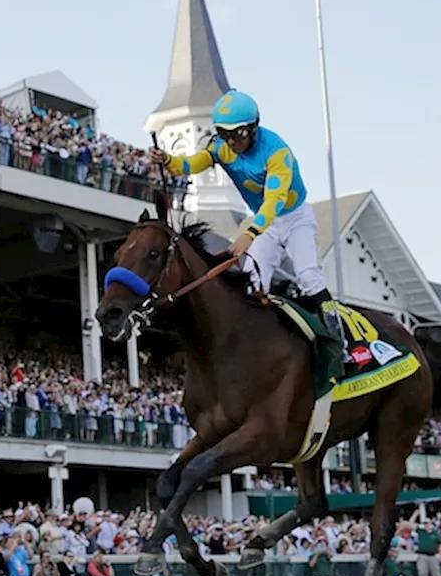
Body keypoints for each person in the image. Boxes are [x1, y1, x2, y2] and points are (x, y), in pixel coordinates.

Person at [149, 88, 351, 370]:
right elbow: (194, 163)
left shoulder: (276, 153)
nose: (230, 142)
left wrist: (249, 233)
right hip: (264, 223)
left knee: (307, 275)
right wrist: (169, 161)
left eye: (237, 134)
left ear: (253, 128)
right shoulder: (221, 146)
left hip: (294, 218)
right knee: (252, 281)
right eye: (223, 134)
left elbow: (273, 202)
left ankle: (340, 344)